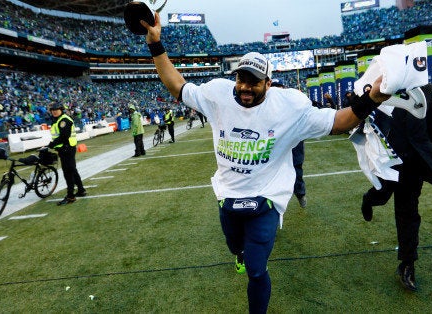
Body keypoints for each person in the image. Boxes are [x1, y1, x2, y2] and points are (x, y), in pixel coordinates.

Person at [140, 14, 391, 313]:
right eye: (242, 79)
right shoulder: (217, 93)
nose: (246, 87)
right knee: (235, 247)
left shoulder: (290, 105)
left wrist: (372, 99)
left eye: (254, 82)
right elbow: (177, 85)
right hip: (228, 194)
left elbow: (339, 121)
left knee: (257, 270)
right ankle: (239, 253)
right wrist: (156, 44)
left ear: (268, 84)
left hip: (266, 197)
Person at [359, 84, 432, 292]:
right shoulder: (381, 84)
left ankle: (407, 264)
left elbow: (431, 121)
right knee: (381, 194)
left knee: (408, 212)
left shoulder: (424, 88)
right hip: (387, 159)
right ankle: (369, 199)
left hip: (413, 161)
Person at [271, 79, 307, 208]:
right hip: (274, 143)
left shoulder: (294, 102)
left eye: (279, 87)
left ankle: (300, 193)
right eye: (274, 88)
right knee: (272, 172)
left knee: (296, 168)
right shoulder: (266, 105)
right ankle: (273, 201)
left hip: (294, 142)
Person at [47, 103, 86, 205]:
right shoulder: (58, 120)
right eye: (52, 110)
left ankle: (70, 196)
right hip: (65, 148)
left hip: (66, 148)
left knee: (68, 173)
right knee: (72, 170)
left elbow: (64, 136)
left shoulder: (64, 120)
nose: (54, 111)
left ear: (61, 110)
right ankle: (81, 190)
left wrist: (52, 144)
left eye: (56, 109)